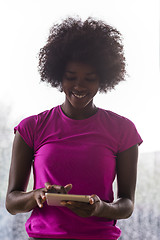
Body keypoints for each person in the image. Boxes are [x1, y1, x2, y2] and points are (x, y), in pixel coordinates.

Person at [6, 16, 143, 240]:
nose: (79, 86)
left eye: (89, 79)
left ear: (103, 80)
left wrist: (101, 209)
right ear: (59, 78)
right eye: (71, 77)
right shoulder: (31, 128)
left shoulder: (123, 130)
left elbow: (127, 204)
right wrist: (37, 195)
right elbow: (12, 202)